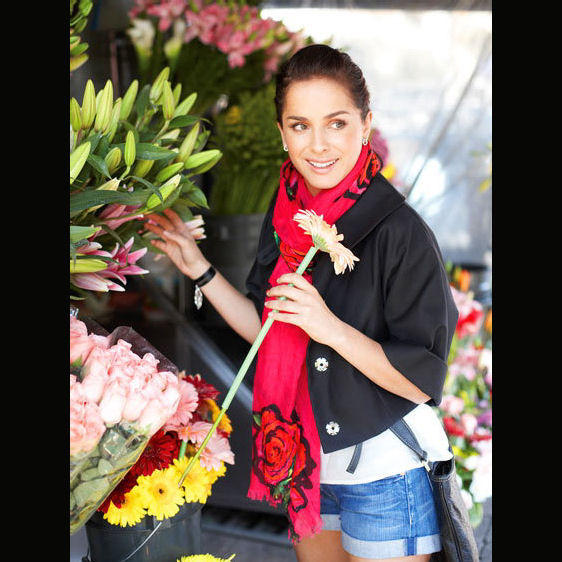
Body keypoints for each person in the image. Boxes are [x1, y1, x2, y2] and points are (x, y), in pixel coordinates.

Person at [145, 44, 458, 562]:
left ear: (366, 124)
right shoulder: (287, 214)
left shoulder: (400, 232)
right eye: (300, 125)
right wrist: (199, 268)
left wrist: (328, 327)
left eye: (336, 123)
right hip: (307, 465)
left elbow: (421, 381)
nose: (318, 145)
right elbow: (267, 330)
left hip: (385, 469)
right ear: (282, 133)